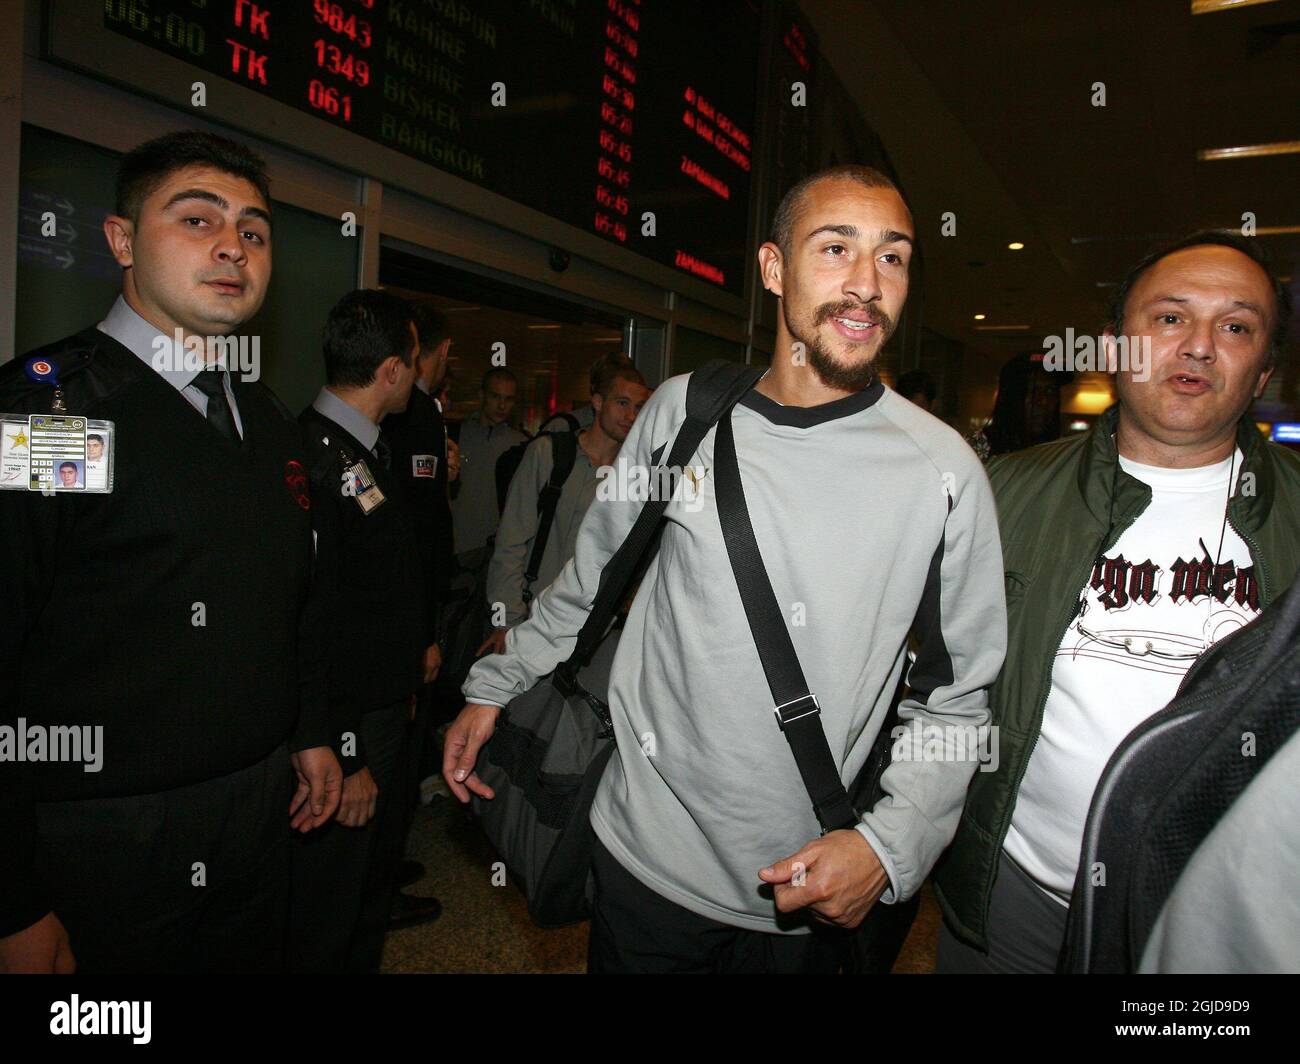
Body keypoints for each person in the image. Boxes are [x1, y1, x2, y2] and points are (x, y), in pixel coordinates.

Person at [445, 164, 1006, 974]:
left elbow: (956, 707)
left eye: (892, 258)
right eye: (836, 248)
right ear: (775, 270)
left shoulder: (943, 472)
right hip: (645, 861)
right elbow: (588, 580)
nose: (865, 284)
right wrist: (495, 683)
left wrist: (888, 847)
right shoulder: (682, 412)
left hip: (805, 895)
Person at [0, 130, 341, 974]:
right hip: (100, 839)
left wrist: (304, 730)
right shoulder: (58, 413)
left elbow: (281, 601)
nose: (233, 246)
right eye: (197, 219)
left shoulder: (266, 423)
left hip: (255, 819)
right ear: (121, 240)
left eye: (254, 232)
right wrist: (10, 899)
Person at [934, 230, 1300, 973]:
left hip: (1214, 928)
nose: (1199, 346)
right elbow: (931, 683)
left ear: (1263, 370)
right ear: (1113, 347)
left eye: (1235, 327)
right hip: (1013, 904)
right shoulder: (1001, 494)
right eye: (1169, 318)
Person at [291, 289, 437, 972]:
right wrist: (345, 753)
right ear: (390, 371)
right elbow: (311, 622)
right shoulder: (313, 461)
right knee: (333, 910)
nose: (416, 375)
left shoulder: (362, 449)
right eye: (412, 361)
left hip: (381, 707)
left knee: (366, 896)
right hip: (348, 729)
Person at [477, 355, 650, 657]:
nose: (630, 416)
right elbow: (510, 542)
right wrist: (505, 622)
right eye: (621, 403)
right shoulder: (548, 454)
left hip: (589, 632)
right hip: (530, 621)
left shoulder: (634, 477)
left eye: (638, 408)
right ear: (597, 402)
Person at [380, 301, 453, 928]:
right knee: (399, 748)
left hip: (404, 613)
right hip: (405, 618)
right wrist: (425, 630)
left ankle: (382, 865)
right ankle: (378, 879)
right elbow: (422, 525)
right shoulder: (418, 415)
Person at [450, 367, 526, 565]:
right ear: (482, 396)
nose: (502, 405)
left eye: (508, 399)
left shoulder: (523, 446)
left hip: (498, 550)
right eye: (496, 397)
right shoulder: (455, 437)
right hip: (457, 545)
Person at [966, 351, 1065, 461]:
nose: (1043, 401)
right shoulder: (977, 446)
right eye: (1031, 390)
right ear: (1011, 396)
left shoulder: (1061, 454)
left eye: (1050, 391)